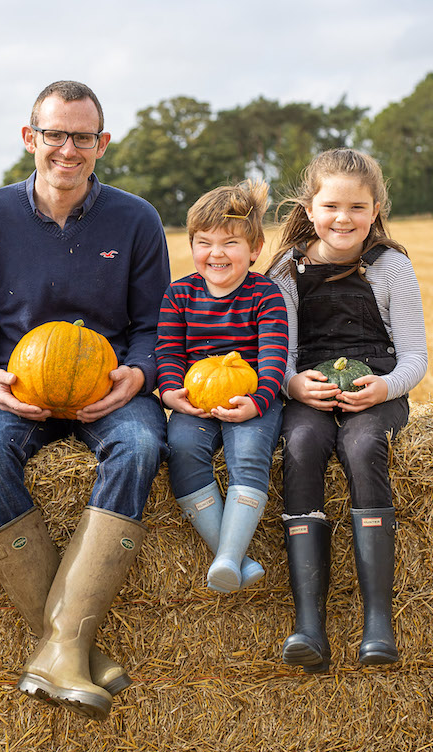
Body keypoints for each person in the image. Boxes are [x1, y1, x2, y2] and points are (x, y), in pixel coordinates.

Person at [0, 80, 170, 721]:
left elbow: (155, 325)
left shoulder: (135, 218)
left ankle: (62, 642)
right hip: (17, 388)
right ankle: (71, 648)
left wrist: (139, 371)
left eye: (82, 137)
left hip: (107, 386)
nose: (67, 149)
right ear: (30, 138)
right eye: (54, 135)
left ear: (102, 144)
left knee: (141, 443)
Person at [265, 148, 427, 673]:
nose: (344, 218)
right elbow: (279, 351)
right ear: (309, 209)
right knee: (305, 443)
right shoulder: (287, 269)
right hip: (309, 387)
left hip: (376, 388)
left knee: (361, 445)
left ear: (375, 209)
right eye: (331, 205)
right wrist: (292, 385)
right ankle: (308, 623)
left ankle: (377, 622)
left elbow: (415, 358)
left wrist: (383, 389)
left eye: (358, 207)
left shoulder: (391, 266)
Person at [156, 180, 288, 594]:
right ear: (191, 244)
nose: (216, 253)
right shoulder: (179, 295)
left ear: (254, 248)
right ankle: (230, 558)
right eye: (204, 242)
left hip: (250, 401)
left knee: (249, 455)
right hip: (194, 403)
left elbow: (273, 358)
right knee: (181, 451)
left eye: (230, 243)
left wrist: (257, 402)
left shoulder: (265, 294)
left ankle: (228, 557)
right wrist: (170, 390)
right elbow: (169, 352)